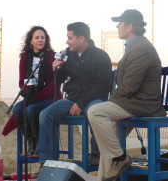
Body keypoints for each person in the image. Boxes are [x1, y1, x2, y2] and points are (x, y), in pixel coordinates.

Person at [88, 9, 166, 181]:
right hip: (133, 101)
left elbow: (130, 86)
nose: (117, 26)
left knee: (95, 111)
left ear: (129, 26)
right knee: (107, 142)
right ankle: (109, 170)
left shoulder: (141, 49)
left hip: (142, 104)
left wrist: (112, 101)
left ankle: (120, 158)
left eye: (120, 23)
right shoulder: (135, 46)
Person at [36, 22, 112, 176]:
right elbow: (59, 80)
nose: (67, 41)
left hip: (94, 99)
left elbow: (103, 87)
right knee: (45, 114)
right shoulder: (69, 55)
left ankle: (96, 154)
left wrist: (81, 103)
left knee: (94, 111)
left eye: (70, 38)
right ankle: (48, 161)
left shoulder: (100, 56)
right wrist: (55, 70)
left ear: (81, 39)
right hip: (73, 99)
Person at [2, 26, 62, 156]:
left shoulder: (52, 56)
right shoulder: (25, 57)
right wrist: (27, 92)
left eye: (43, 37)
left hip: (49, 98)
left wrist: (35, 98)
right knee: (17, 109)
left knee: (31, 110)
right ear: (31, 41)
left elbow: (53, 86)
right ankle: (31, 140)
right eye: (37, 38)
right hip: (32, 97)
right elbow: (21, 81)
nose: (40, 40)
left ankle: (41, 142)